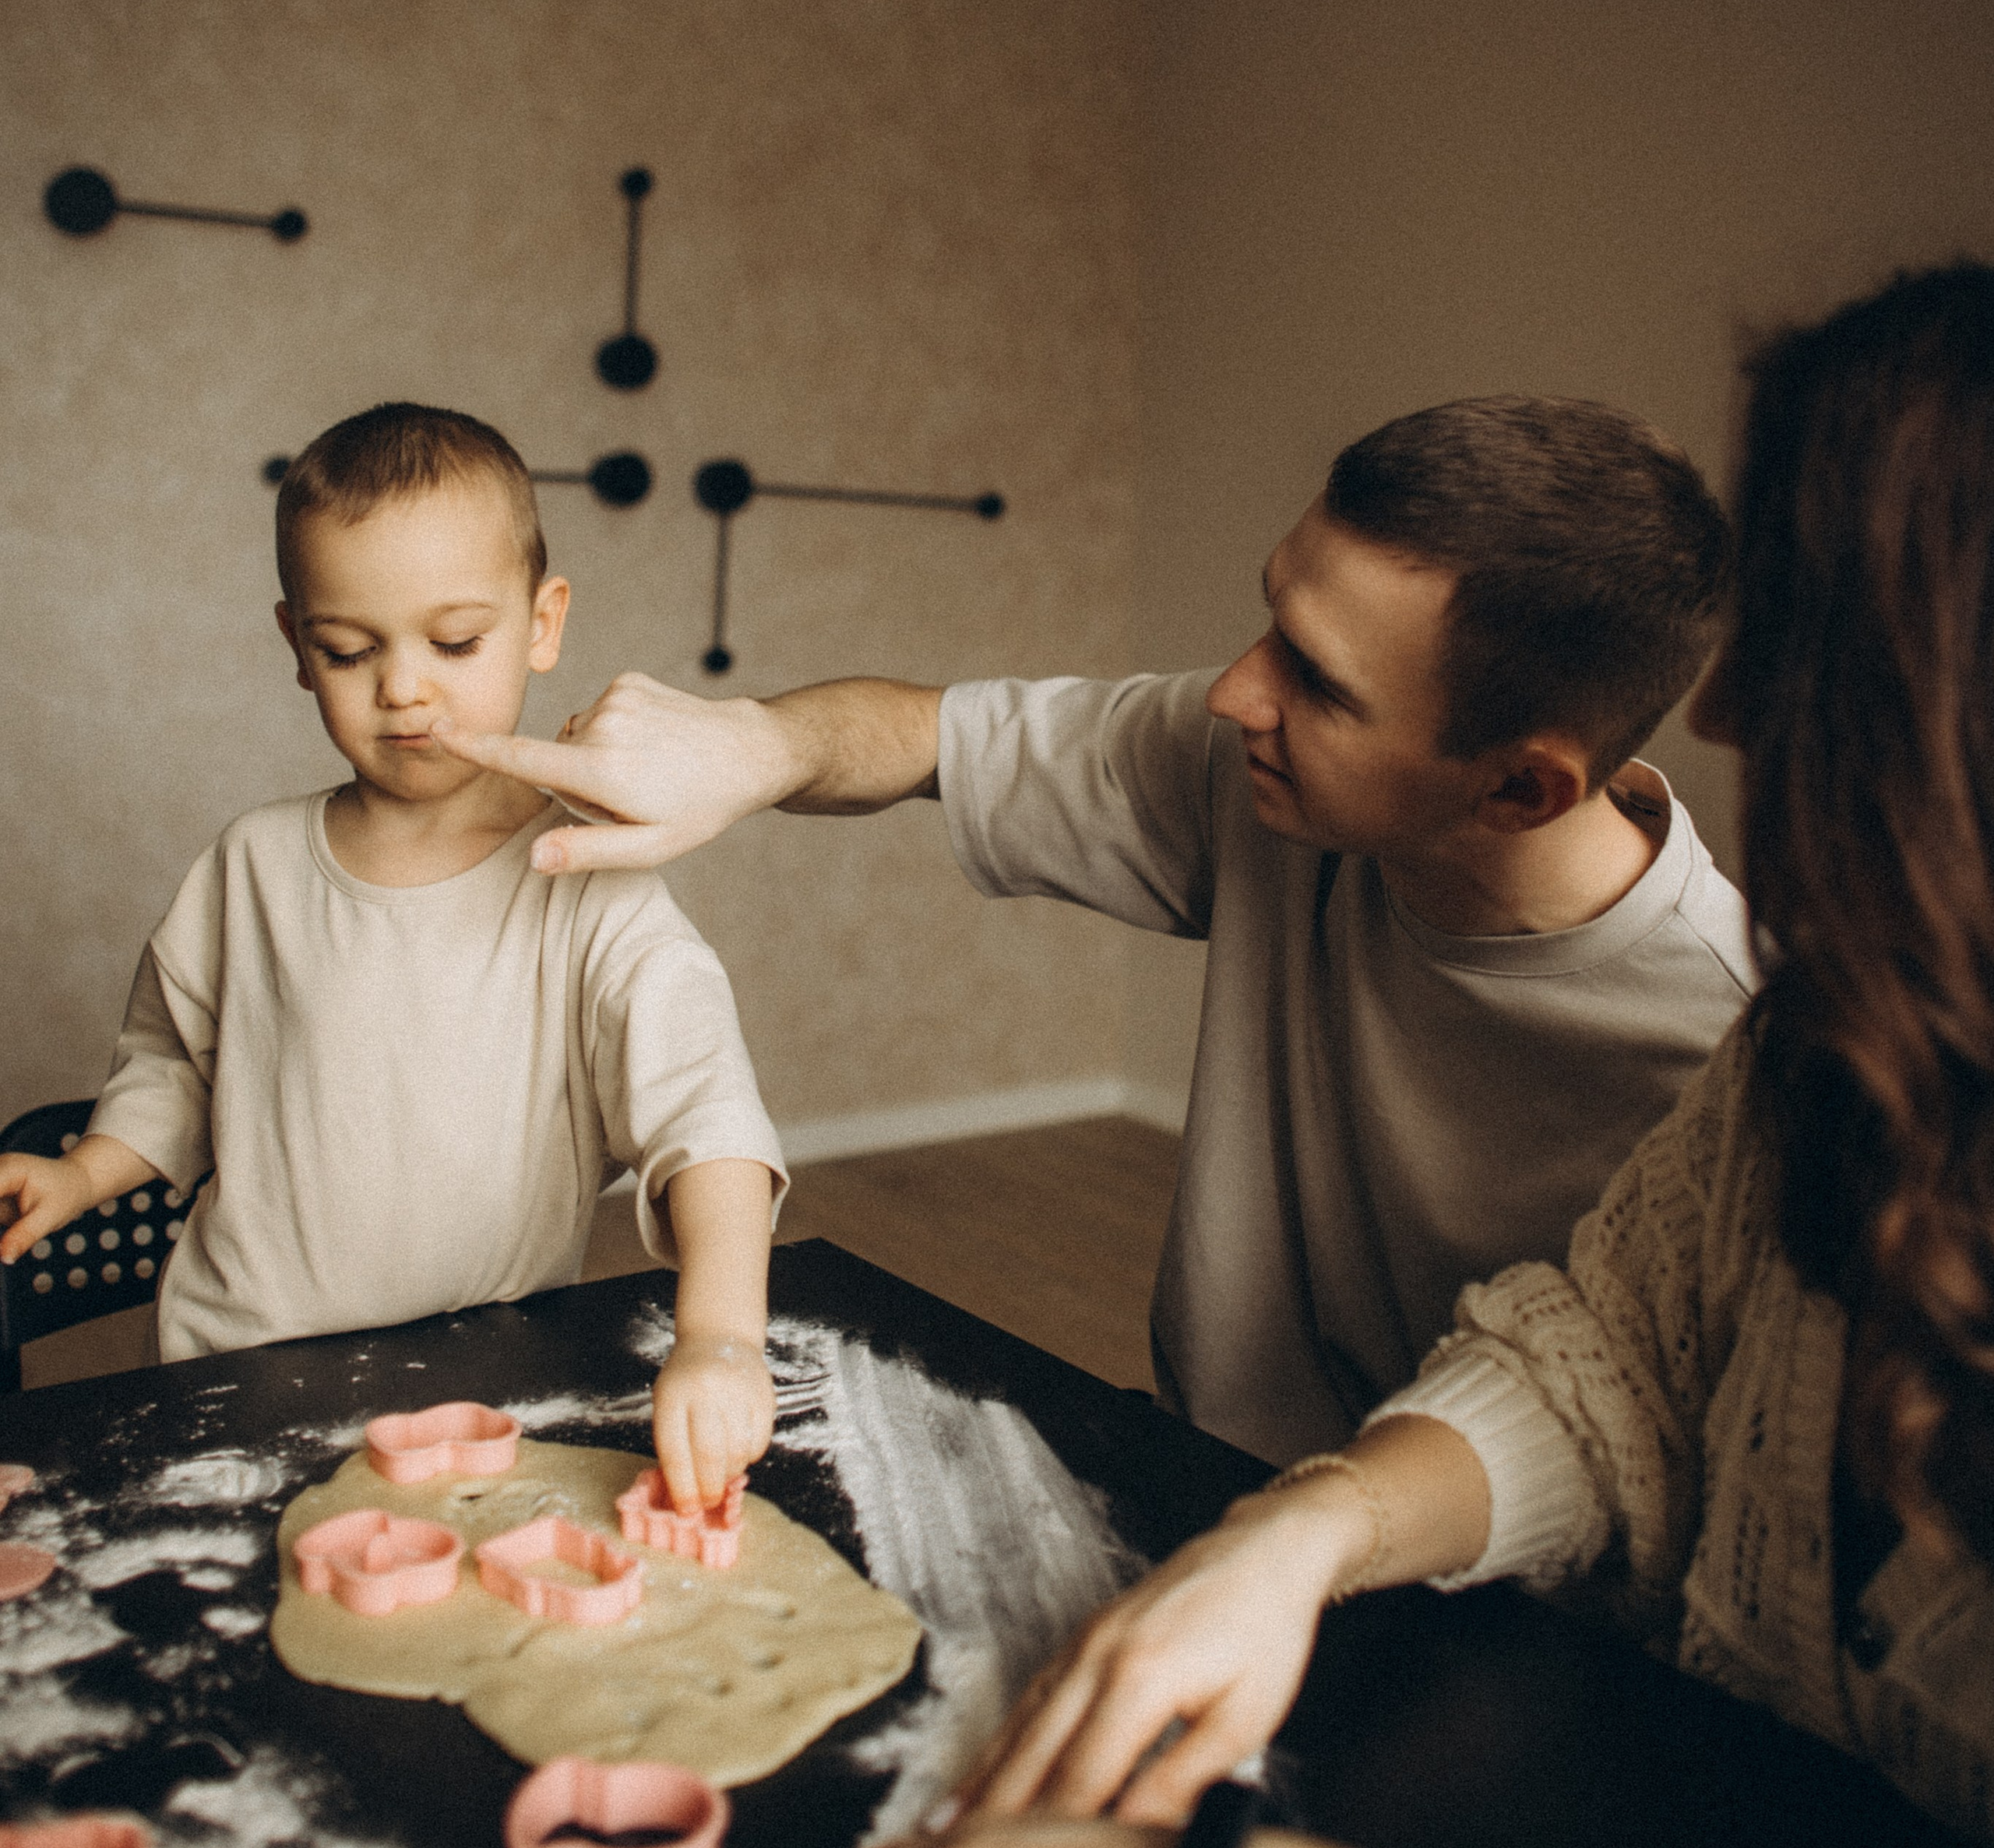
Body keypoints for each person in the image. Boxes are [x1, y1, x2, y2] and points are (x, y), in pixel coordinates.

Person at [692, 262, 1994, 1848]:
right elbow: (1610, 1359)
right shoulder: (1816, 1048)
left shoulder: (1700, 1010)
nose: (1720, 714)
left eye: (1792, 659)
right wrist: (1303, 1530)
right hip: (1415, 1637)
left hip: (1544, 1702)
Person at [437, 395, 1749, 1461]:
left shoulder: (1722, 1063)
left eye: (1318, 683)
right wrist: (759, 746)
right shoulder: (1256, 766)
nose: (1236, 692)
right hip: (1210, 1479)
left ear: (1520, 790)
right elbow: (926, 735)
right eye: (1272, 620)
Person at [0, 403, 784, 1514]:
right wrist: (85, 1173)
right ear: (297, 646)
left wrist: (720, 1337)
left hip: (484, 1377)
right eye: (349, 651)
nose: (404, 690)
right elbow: (179, 1068)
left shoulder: (588, 878)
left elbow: (707, 1116)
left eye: (455, 644)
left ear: (543, 623)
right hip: (235, 1374)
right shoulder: (252, 866)